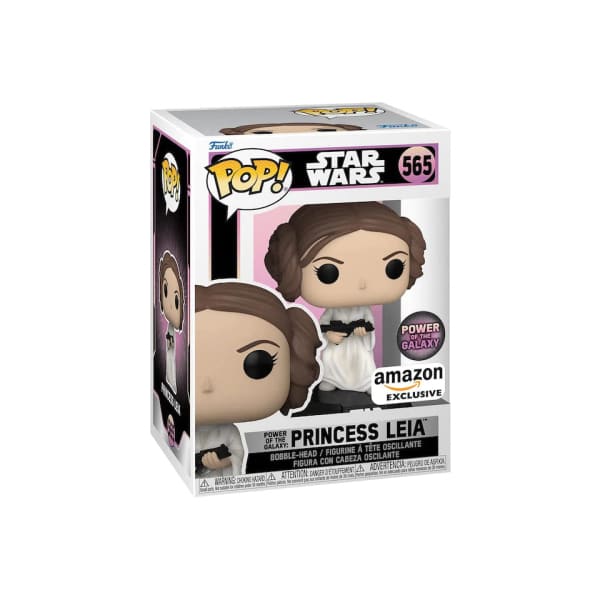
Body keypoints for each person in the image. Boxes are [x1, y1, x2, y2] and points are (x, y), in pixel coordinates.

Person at [265, 202, 425, 406]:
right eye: (328, 272)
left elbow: (370, 328)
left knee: (363, 361)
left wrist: (364, 333)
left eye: (393, 268)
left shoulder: (363, 310)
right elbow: (322, 328)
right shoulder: (332, 311)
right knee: (332, 360)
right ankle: (331, 380)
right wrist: (329, 336)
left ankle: (366, 382)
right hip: (337, 345)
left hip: (358, 345)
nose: (362, 284)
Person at [194, 282, 321, 476]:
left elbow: (237, 454)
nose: (207, 385)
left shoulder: (228, 433)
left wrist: (222, 463)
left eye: (259, 364)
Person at [158, 251, 184, 394]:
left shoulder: (178, 332)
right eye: (165, 290)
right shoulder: (169, 327)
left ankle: (172, 383)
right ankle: (171, 383)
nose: (169, 305)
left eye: (176, 301)